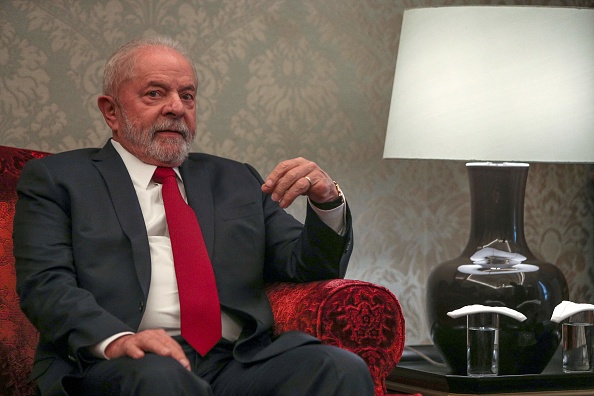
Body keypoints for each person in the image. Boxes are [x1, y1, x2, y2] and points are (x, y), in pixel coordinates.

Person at [13, 35, 374, 396]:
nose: (176, 107)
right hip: (121, 360)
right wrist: (116, 339)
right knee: (160, 379)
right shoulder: (59, 179)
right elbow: (46, 285)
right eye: (155, 93)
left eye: (187, 95)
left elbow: (306, 267)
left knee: (340, 369)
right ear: (111, 111)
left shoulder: (236, 179)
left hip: (235, 359)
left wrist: (327, 201)